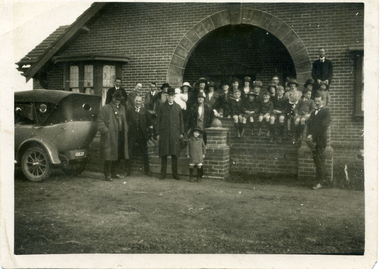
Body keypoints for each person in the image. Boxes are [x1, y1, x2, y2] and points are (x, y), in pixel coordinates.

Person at [97, 90, 129, 181]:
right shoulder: (105, 108)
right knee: (108, 156)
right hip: (109, 136)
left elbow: (124, 120)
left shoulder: (122, 108)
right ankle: (107, 174)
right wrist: (106, 131)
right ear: (112, 98)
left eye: (119, 99)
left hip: (120, 135)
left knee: (117, 155)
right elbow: (99, 122)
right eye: (116, 99)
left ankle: (114, 173)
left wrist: (126, 129)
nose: (118, 101)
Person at [156, 87, 184, 180]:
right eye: (169, 95)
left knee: (174, 154)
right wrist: (157, 133)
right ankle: (163, 173)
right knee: (164, 154)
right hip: (164, 133)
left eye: (172, 96)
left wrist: (181, 133)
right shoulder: (161, 107)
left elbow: (181, 121)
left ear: (174, 96)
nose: (170, 97)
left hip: (174, 133)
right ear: (166, 96)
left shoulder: (178, 107)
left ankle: (175, 173)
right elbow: (158, 121)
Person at [306, 93, 331, 190]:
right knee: (316, 160)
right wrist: (308, 135)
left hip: (320, 140)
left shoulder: (326, 112)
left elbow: (323, 126)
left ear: (323, 101)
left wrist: (313, 135)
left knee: (319, 160)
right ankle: (321, 180)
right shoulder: (313, 113)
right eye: (315, 101)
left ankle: (320, 182)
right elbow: (309, 125)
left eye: (319, 101)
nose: (317, 103)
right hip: (313, 139)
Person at [126, 95, 153, 177]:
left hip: (142, 134)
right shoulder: (130, 110)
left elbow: (150, 123)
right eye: (137, 101)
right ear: (134, 101)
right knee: (129, 151)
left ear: (142, 102)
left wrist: (149, 134)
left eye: (139, 101)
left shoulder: (145, 111)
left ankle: (147, 170)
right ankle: (127, 171)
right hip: (132, 134)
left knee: (145, 152)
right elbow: (126, 121)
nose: (138, 102)